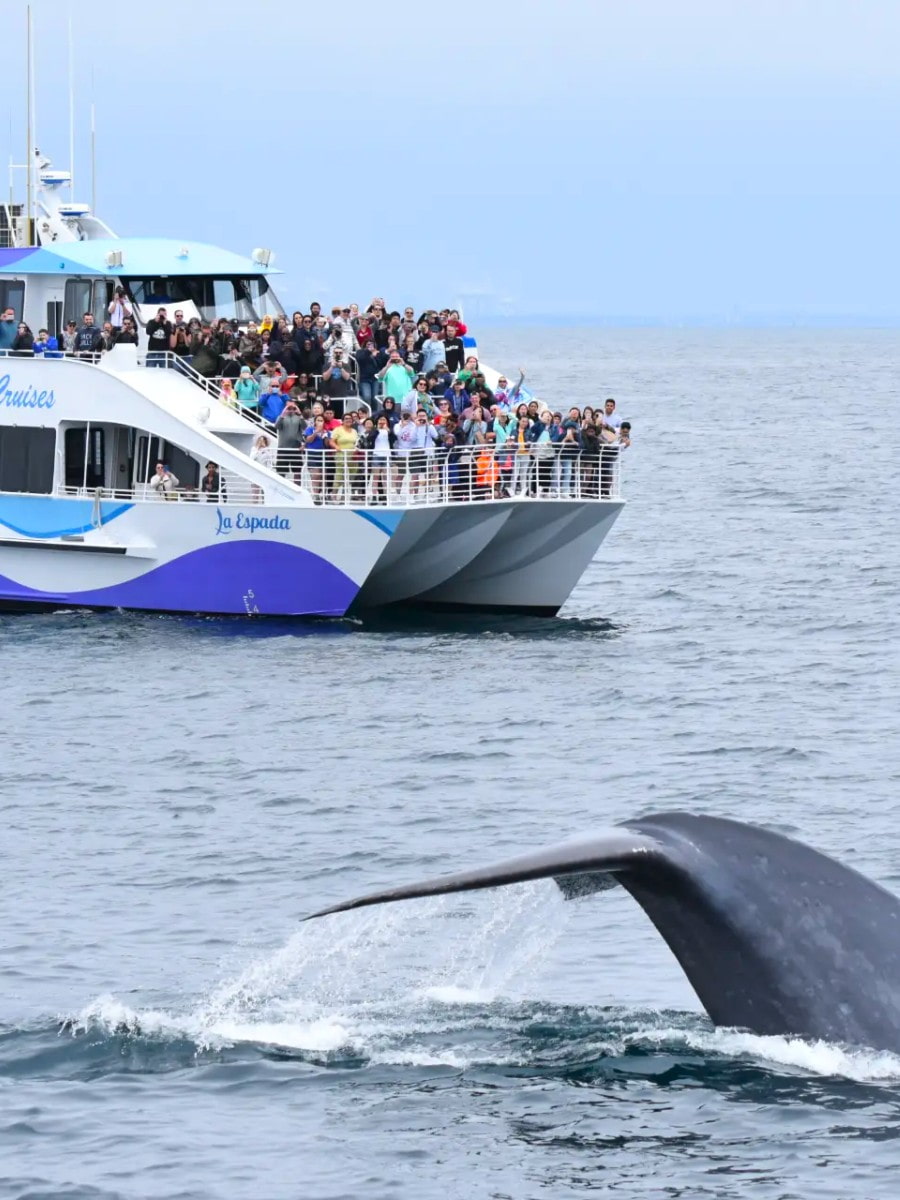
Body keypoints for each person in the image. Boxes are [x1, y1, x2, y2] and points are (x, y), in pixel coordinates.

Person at [331, 411, 359, 500]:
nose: (348, 420)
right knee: (339, 475)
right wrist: (336, 446)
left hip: (352, 456)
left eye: (350, 419)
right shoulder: (338, 429)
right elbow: (331, 441)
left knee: (352, 474)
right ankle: (333, 495)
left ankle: (344, 495)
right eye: (346, 419)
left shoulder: (354, 431)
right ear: (342, 421)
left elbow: (356, 442)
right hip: (341, 455)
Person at [275, 400, 305, 479]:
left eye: (293, 408)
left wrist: (299, 413)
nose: (291, 410)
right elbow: (276, 426)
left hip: (296, 448)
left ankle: (297, 490)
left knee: (297, 472)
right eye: (289, 408)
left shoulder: (298, 418)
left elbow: (305, 427)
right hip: (283, 448)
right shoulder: (280, 417)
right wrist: (283, 414)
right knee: (281, 471)